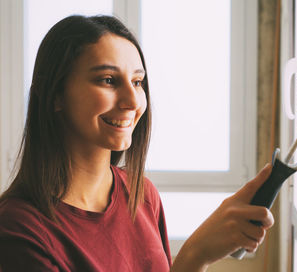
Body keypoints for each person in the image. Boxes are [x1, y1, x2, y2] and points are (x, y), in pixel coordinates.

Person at [0, 15, 274, 272]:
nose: (133, 101)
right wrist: (195, 254)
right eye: (108, 80)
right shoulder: (18, 230)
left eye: (137, 81)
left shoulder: (142, 195)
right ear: (55, 95)